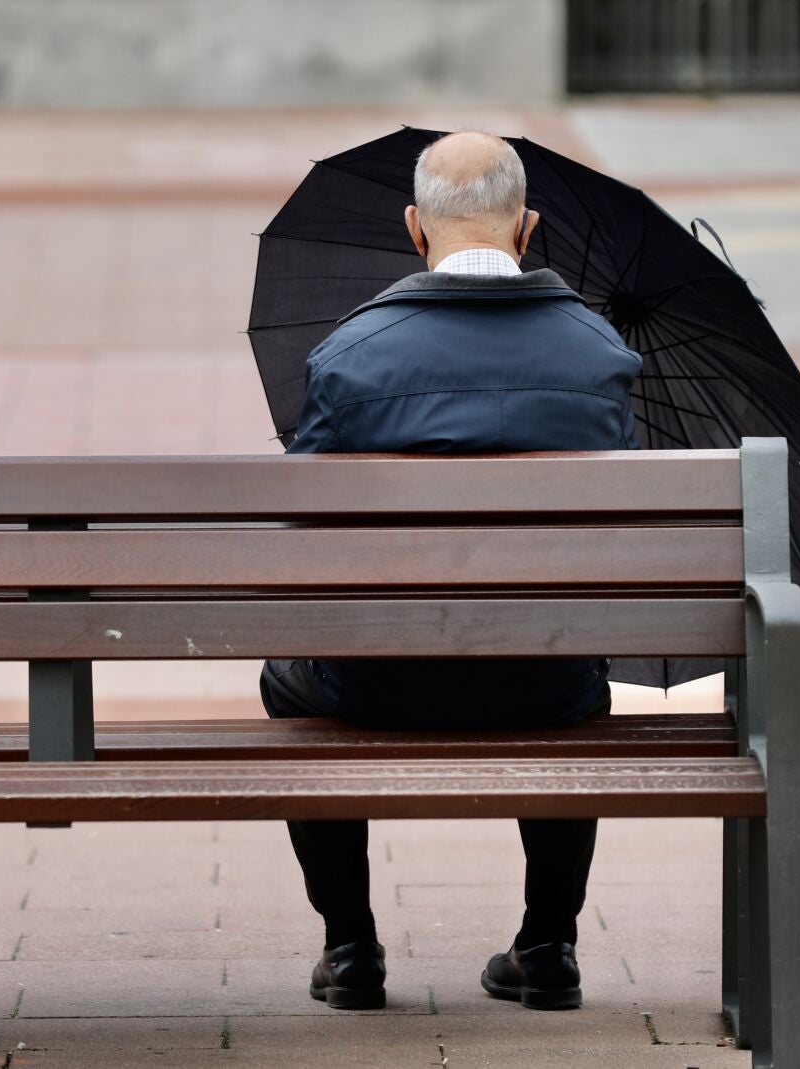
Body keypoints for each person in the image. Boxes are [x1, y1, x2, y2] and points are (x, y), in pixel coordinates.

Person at [262, 131, 642, 1012]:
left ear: (414, 228)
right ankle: (547, 945)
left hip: (374, 688)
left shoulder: (352, 356)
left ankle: (351, 947)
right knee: (582, 681)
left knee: (288, 681)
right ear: (527, 228)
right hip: (544, 687)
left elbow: (301, 544)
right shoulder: (600, 357)